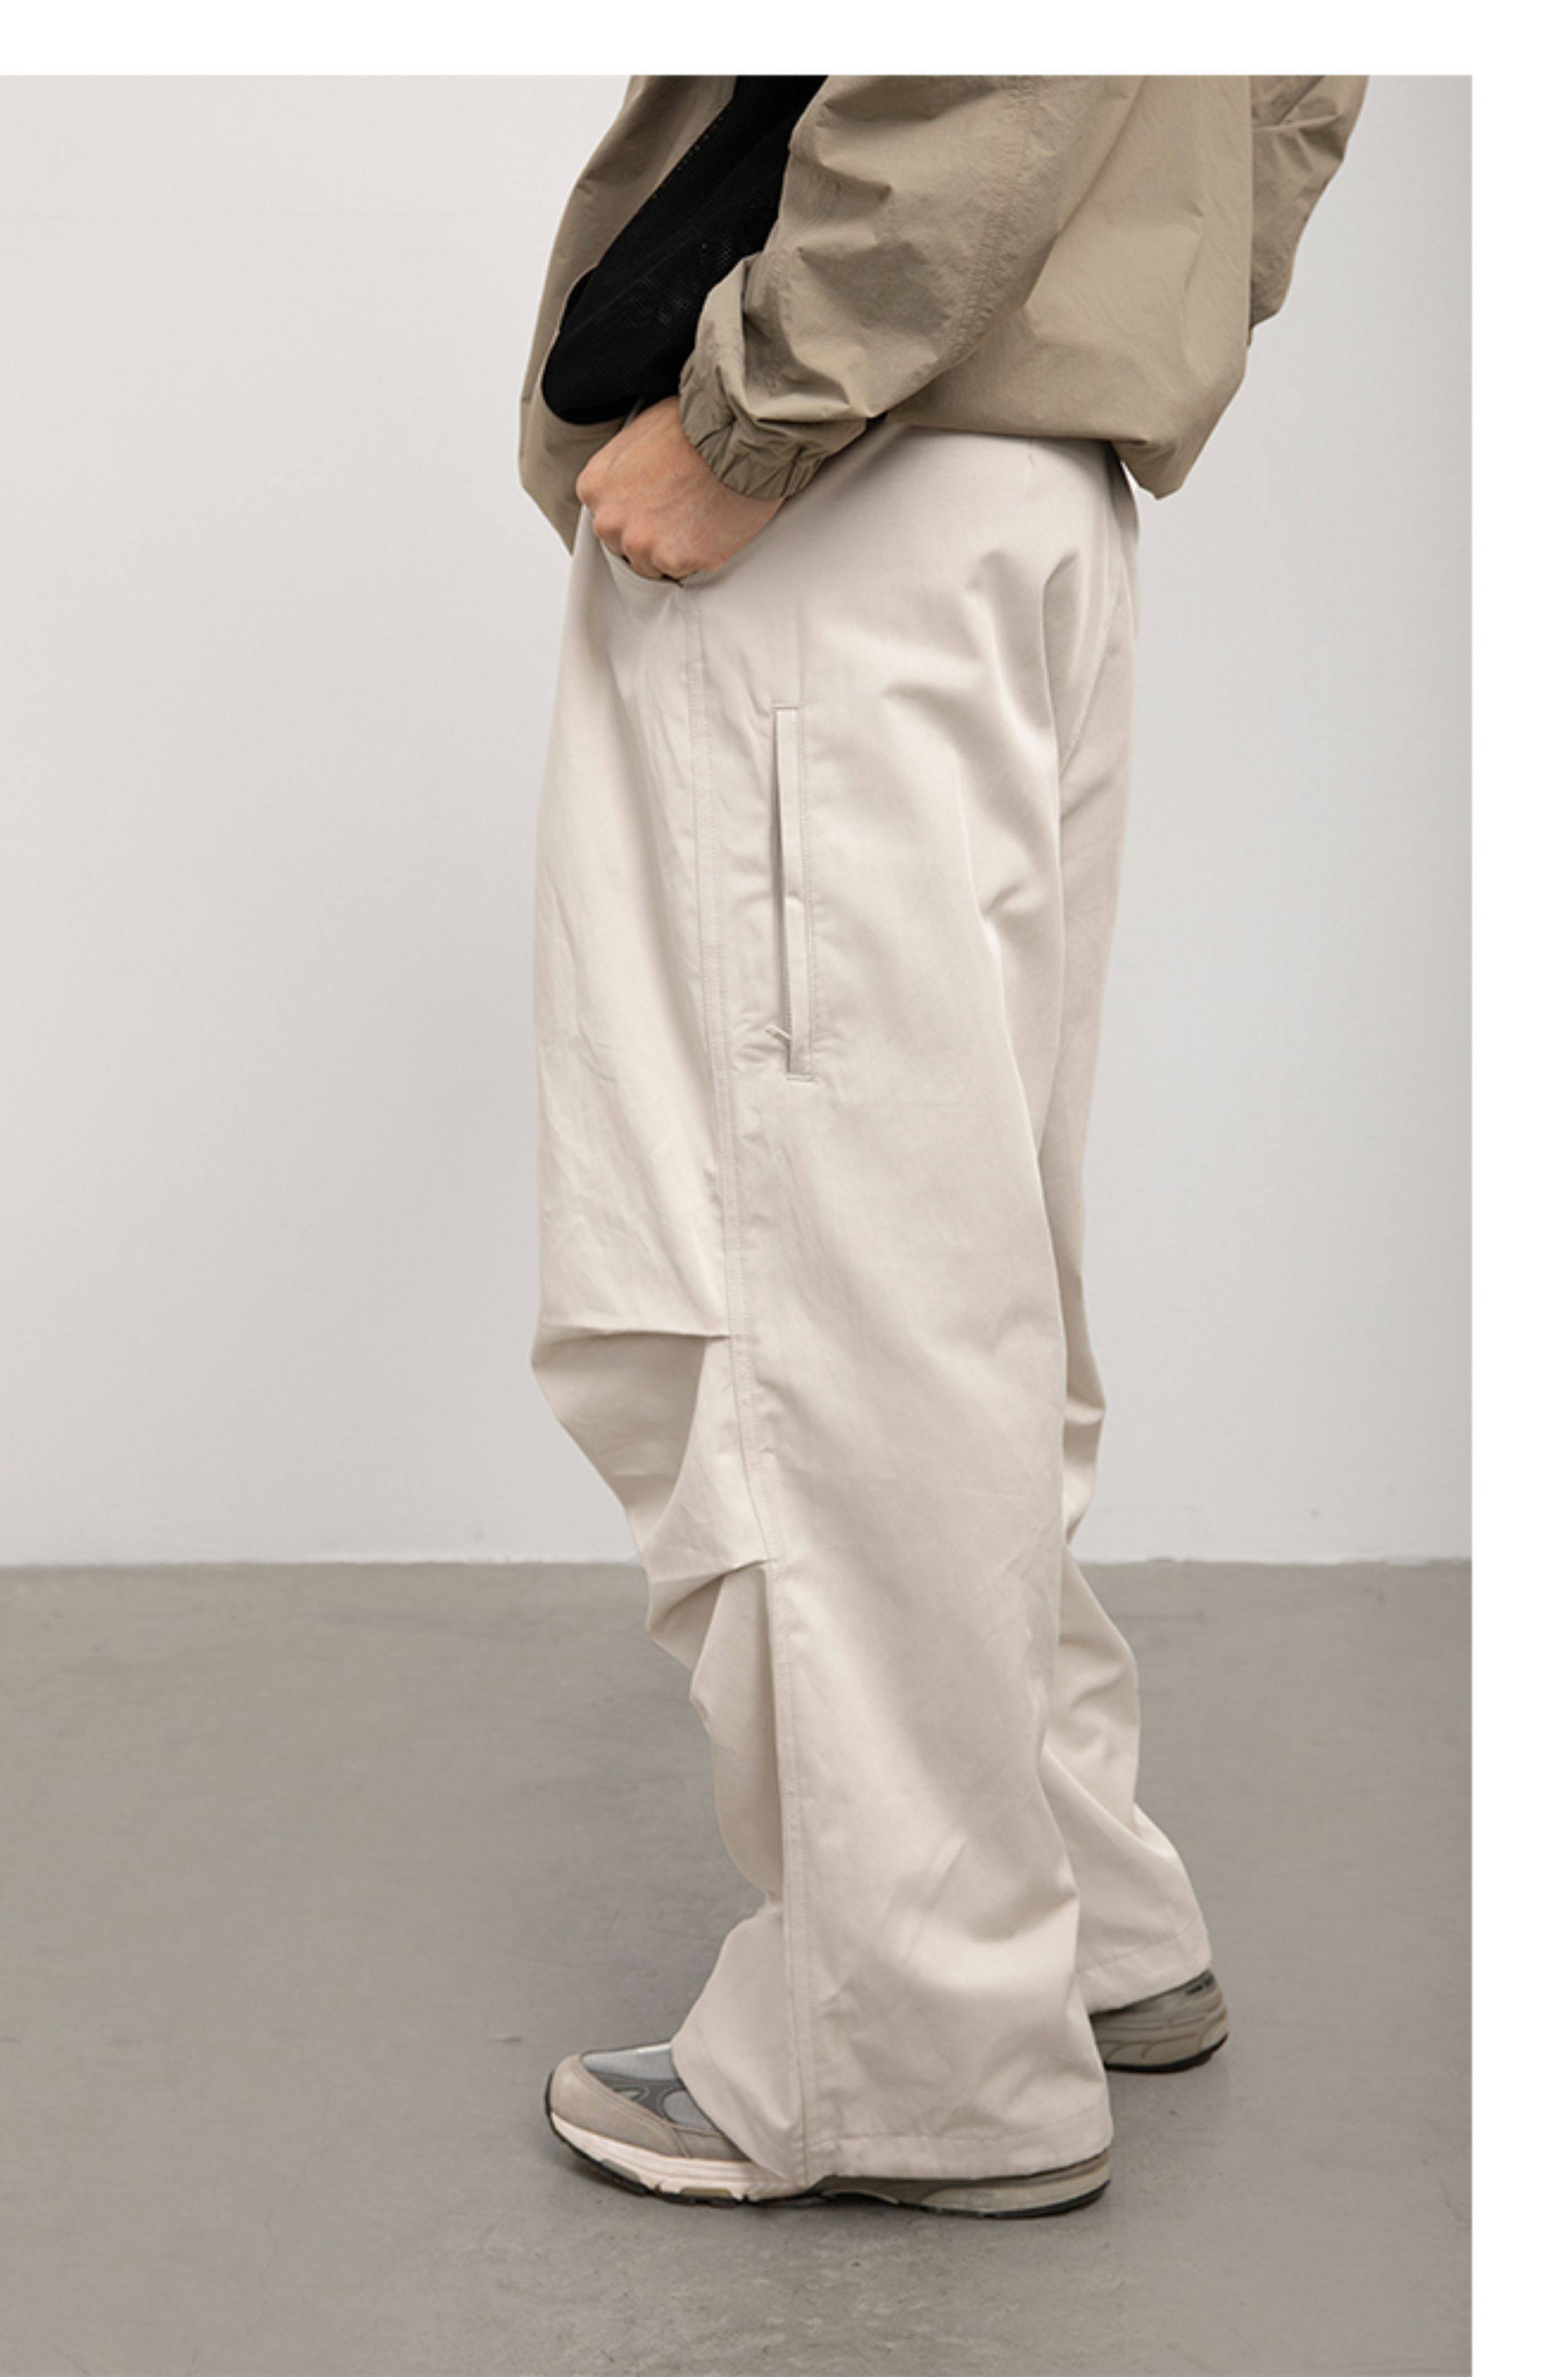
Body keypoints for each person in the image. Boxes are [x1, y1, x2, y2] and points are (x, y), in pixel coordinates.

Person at [520, 74, 1366, 2217]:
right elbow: (1287, 84)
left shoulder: (804, 421)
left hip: (856, 480)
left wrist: (751, 415)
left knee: (820, 1296)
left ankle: (917, 2055)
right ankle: (1074, 1916)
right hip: (1030, 483)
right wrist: (1147, 284)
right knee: (954, 1262)